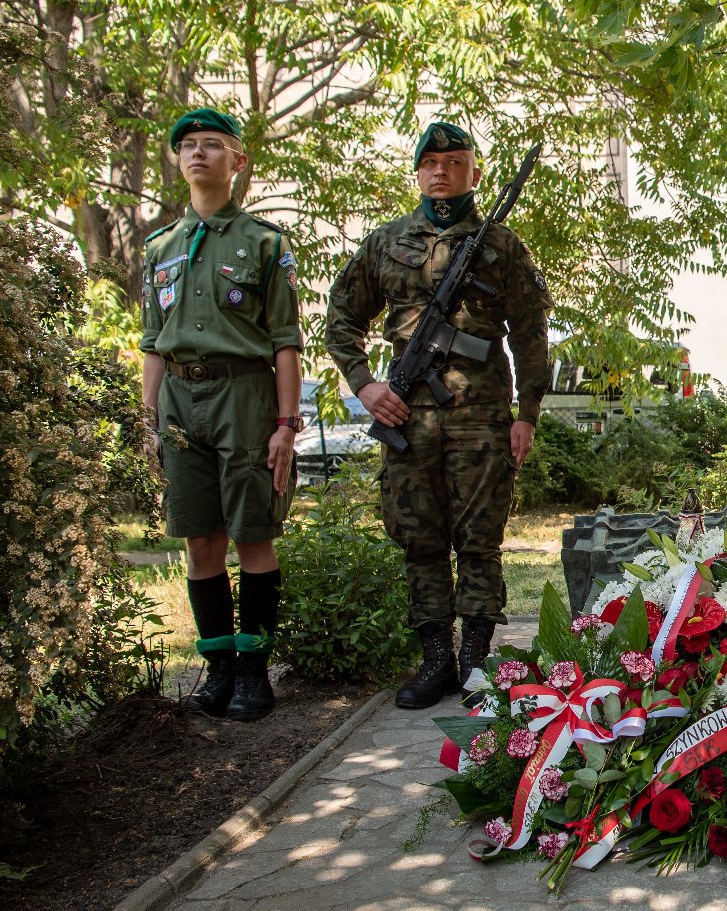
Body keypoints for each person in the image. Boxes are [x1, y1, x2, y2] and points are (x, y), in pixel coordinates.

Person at [325, 121, 552, 708]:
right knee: (418, 539)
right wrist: (366, 387)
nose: (442, 170)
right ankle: (436, 662)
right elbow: (341, 321)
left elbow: (530, 335)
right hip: (406, 416)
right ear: (419, 171)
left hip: (481, 416)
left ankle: (476, 662)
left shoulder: (501, 245)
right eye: (432, 161)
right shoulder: (385, 242)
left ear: (473, 171)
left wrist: (526, 412)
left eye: (455, 160)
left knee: (480, 540)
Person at [140, 107, 302, 721]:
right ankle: (218, 670)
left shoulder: (264, 243)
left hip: (244, 396)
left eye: (213, 145)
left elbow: (285, 341)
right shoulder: (160, 248)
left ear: (238, 162)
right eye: (188, 146)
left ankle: (255, 675)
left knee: (252, 534)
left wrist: (285, 426)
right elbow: (153, 343)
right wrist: (148, 422)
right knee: (200, 538)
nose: (198, 153)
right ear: (177, 160)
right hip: (181, 400)